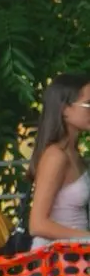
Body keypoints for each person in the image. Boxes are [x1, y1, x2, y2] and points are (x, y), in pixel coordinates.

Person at [26, 73, 90, 249]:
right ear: (65, 109)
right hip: (55, 263)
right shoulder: (56, 156)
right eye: (88, 105)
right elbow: (37, 225)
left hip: (73, 259)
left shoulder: (74, 153)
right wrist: (87, 238)